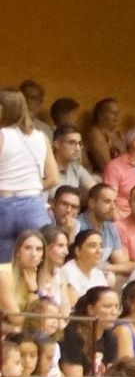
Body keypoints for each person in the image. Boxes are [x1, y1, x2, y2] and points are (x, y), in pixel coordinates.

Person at [0, 88, 60, 264]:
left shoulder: (2, 135)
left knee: (4, 266)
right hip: (33, 204)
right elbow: (53, 178)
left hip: (3, 204)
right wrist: (29, 186)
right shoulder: (41, 137)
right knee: (35, 261)